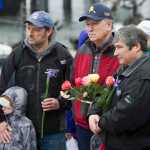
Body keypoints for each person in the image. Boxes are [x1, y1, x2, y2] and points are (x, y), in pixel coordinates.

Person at [0, 11, 73, 150]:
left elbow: (73, 88)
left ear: (49, 31)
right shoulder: (17, 54)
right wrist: (1, 121)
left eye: (37, 29)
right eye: (28, 28)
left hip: (53, 131)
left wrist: (60, 102)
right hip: (20, 131)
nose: (30, 33)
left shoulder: (62, 55)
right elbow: (1, 90)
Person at [89, 25, 150, 150]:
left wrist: (101, 123)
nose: (115, 53)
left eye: (119, 47)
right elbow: (106, 90)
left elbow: (128, 112)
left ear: (136, 47)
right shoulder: (125, 67)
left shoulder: (144, 76)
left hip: (133, 144)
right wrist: (94, 112)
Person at [71, 3, 119, 150]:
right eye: (87, 24)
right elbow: (74, 83)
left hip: (108, 126)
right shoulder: (82, 49)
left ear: (109, 25)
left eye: (95, 23)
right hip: (82, 126)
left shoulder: (120, 49)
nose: (90, 28)